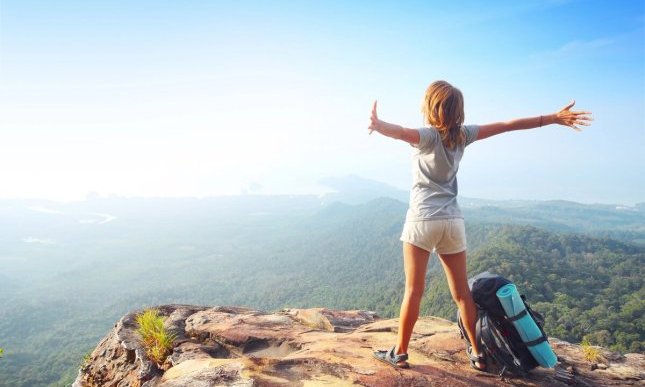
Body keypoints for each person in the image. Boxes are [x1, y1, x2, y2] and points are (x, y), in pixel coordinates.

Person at [369, 80, 592, 371]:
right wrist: (552, 118)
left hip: (422, 219)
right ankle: (477, 353)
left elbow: (399, 132)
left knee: (413, 290)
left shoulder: (426, 136)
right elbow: (507, 125)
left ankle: (399, 353)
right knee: (462, 293)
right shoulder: (463, 135)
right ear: (458, 111)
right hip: (452, 222)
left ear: (431, 107)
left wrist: (378, 123)